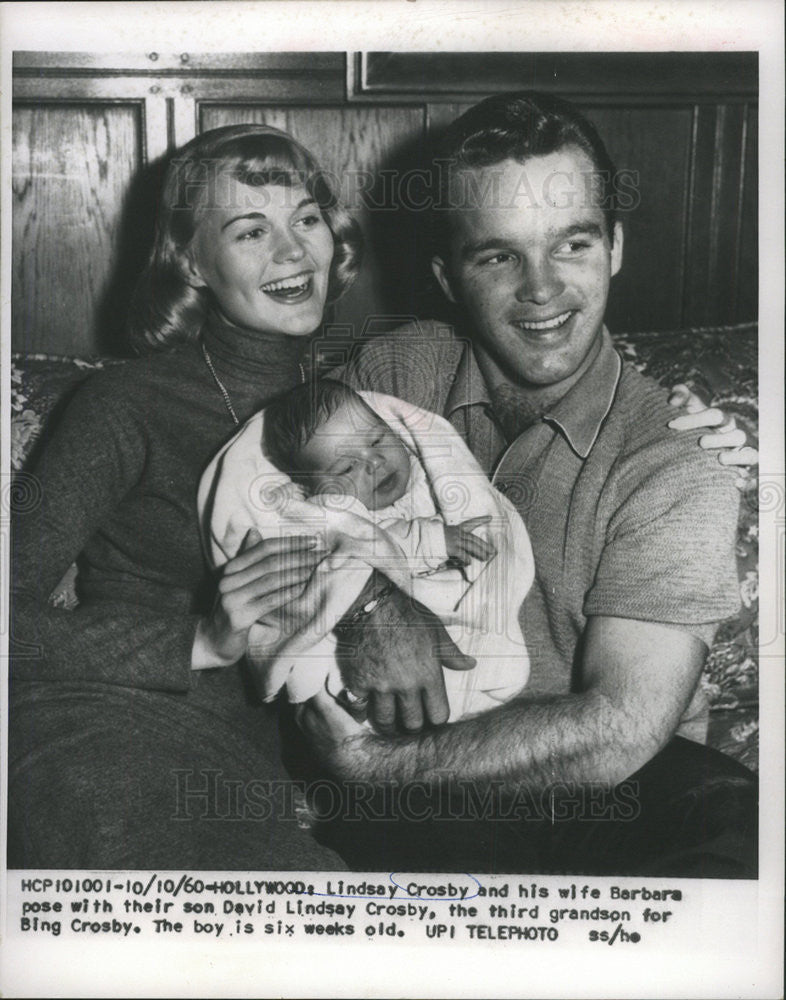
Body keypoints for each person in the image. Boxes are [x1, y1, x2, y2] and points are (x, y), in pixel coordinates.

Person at [8, 114, 749, 871]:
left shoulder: (360, 392)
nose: (292, 250)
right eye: (248, 231)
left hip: (392, 761)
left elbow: (625, 722)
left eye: (306, 219)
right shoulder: (369, 372)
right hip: (169, 736)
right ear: (189, 260)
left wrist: (676, 410)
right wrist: (225, 632)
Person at [292, 92, 758, 877]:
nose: (541, 289)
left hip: (623, 785)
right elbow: (259, 497)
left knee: (741, 834)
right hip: (437, 788)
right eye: (499, 255)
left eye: (571, 244)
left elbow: (621, 725)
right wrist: (369, 595)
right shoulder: (395, 373)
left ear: (614, 247)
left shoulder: (678, 457)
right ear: (447, 274)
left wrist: (373, 765)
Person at [199, 377, 533, 721]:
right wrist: (433, 540)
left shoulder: (427, 475)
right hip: (389, 623)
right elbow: (366, 544)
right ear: (310, 486)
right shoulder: (334, 512)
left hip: (447, 611)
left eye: (377, 439)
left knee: (494, 662)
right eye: (346, 467)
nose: (374, 462)